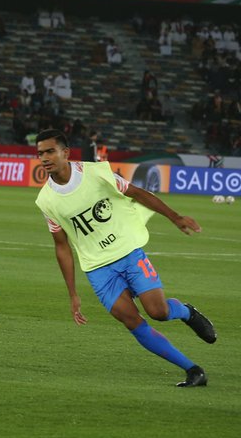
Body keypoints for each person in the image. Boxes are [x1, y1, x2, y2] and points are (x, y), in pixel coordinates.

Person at [34, 130, 215, 386]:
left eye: (50, 151)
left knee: (158, 312)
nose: (44, 158)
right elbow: (61, 246)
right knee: (132, 321)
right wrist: (73, 293)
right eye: (40, 153)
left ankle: (187, 312)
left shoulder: (96, 173)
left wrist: (175, 217)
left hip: (128, 252)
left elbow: (137, 193)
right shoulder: (46, 200)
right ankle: (193, 370)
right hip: (98, 269)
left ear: (66, 152)